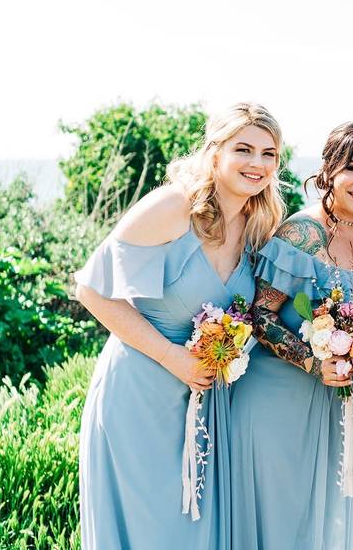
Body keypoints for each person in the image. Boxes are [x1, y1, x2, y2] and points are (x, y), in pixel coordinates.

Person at [74, 103, 284, 549]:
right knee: (148, 529)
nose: (257, 163)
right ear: (214, 152)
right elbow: (91, 290)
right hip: (140, 394)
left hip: (204, 404)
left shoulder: (259, 225)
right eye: (243, 149)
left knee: (194, 532)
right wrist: (172, 357)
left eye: (269, 154)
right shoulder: (174, 207)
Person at [230, 121, 353, 550]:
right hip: (275, 398)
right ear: (329, 171)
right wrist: (311, 361)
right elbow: (258, 315)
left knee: (318, 524)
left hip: (334, 401)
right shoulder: (302, 232)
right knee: (279, 522)